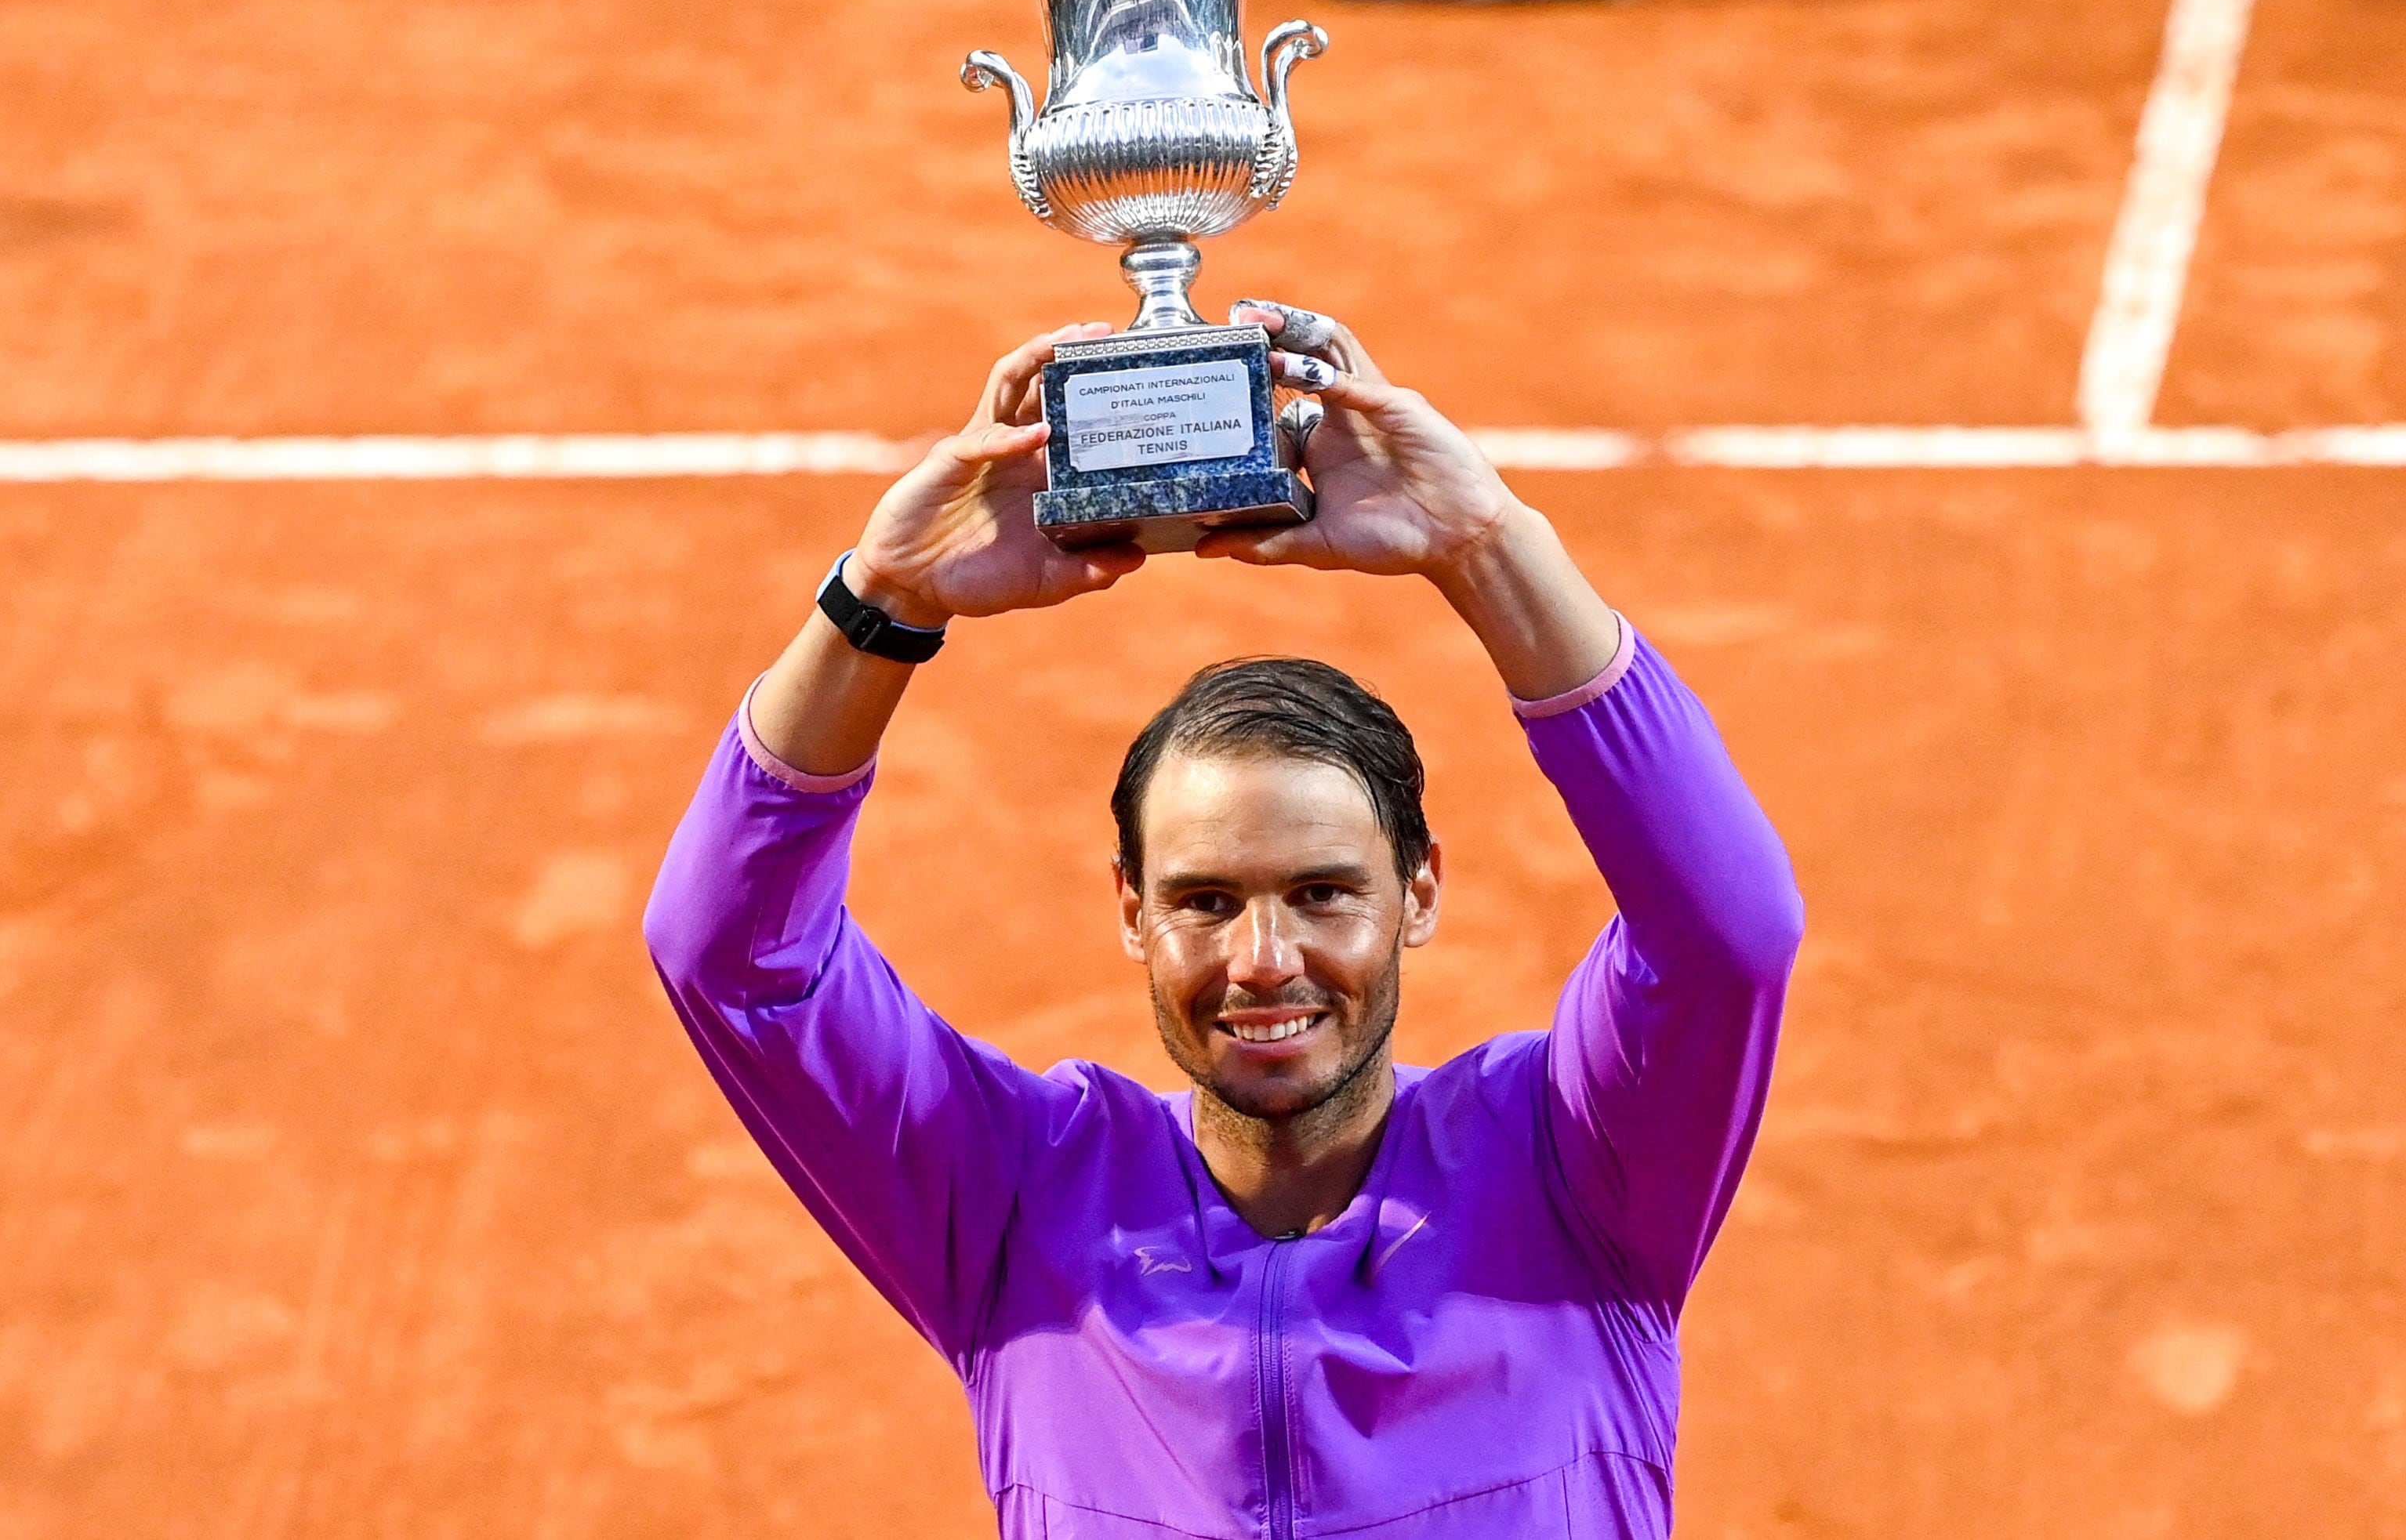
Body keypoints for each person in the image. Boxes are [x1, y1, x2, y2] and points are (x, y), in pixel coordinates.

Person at [644, 306, 1803, 1538]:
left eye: (1322, 892)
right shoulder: (1021, 1208)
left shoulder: (1573, 1177)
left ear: (1418, 891)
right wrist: (879, 601)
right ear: (1132, 913)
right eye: (1206, 900)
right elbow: (731, 955)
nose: (1263, 961)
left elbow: (1724, 934)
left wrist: (1486, 547)